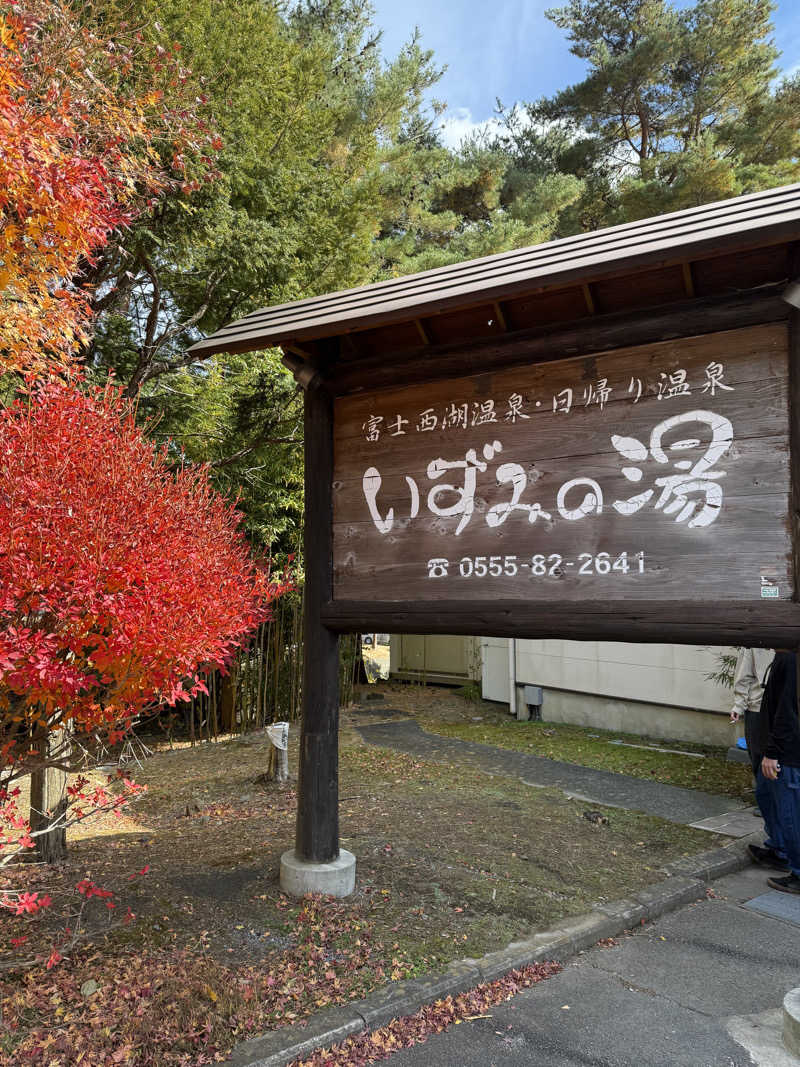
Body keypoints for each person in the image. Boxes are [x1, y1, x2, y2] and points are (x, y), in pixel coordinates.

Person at [756, 650, 800, 895]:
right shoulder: (785, 654)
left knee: (790, 814)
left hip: (787, 753)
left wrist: (773, 752)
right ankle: (779, 849)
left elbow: (789, 707)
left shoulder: (792, 656)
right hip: (780, 748)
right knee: (764, 795)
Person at [730, 647, 773, 775]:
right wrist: (739, 705)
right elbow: (744, 674)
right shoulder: (754, 640)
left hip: (787, 708)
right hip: (758, 708)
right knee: (759, 760)